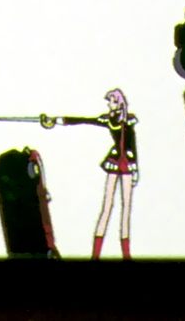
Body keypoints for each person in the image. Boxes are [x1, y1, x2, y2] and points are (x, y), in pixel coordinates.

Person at [40, 88, 138, 260]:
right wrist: (56, 120)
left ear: (118, 103)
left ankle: (126, 255)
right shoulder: (108, 120)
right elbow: (83, 120)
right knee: (107, 207)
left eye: (111, 102)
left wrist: (135, 168)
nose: (108, 105)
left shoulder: (128, 120)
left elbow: (132, 143)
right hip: (116, 161)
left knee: (125, 210)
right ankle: (95, 255)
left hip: (127, 163)